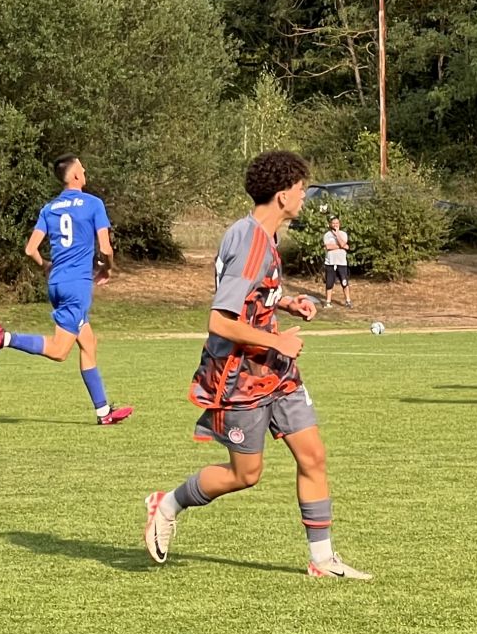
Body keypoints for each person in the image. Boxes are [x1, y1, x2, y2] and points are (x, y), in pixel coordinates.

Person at [143, 150, 370, 579]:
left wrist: (285, 302)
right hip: (238, 376)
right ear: (283, 195)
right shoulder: (249, 241)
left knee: (313, 456)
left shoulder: (264, 236)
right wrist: (277, 339)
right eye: (301, 190)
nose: (303, 197)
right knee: (245, 474)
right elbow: (219, 320)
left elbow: (252, 294)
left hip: (275, 371)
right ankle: (167, 504)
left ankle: (323, 560)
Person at [0, 156, 133, 426]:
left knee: (88, 343)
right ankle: (6, 338)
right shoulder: (93, 204)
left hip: (57, 284)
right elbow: (105, 248)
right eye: (82, 168)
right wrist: (108, 268)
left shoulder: (49, 208)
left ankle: (104, 413)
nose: (85, 171)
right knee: (60, 351)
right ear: (75, 176)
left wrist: (46, 266)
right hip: (77, 286)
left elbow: (30, 249)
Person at [321, 214, 352, 307]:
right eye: (333, 223)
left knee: (344, 282)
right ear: (330, 224)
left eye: (337, 223)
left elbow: (343, 243)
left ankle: (348, 301)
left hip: (341, 262)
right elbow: (328, 247)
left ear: (339, 224)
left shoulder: (343, 234)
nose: (335, 225)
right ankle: (328, 302)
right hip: (330, 262)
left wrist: (337, 235)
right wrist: (342, 246)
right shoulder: (327, 235)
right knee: (329, 283)